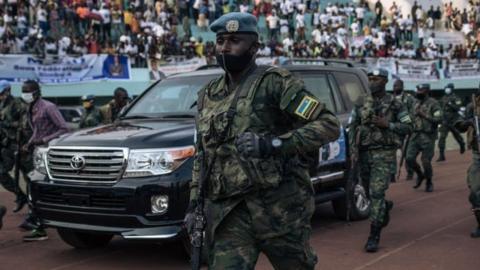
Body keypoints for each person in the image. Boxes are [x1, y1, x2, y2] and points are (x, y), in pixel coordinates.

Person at [185, 12, 340, 269]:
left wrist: (274, 144)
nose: (225, 47)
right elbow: (203, 155)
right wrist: (194, 205)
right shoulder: (207, 95)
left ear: (254, 47)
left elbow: (328, 124)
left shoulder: (275, 84)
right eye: (221, 40)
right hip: (230, 214)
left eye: (234, 40)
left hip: (280, 210)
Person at [349, 69, 412, 253]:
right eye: (369, 78)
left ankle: (373, 235)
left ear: (384, 81)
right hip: (363, 154)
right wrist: (353, 150)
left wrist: (389, 125)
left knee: (376, 193)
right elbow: (352, 127)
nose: (371, 81)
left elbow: (409, 126)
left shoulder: (395, 104)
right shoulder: (361, 102)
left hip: (384, 155)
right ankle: (383, 207)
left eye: (375, 78)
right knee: (369, 194)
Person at [21, 80, 69, 242]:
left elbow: (64, 128)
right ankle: (36, 221)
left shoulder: (48, 107)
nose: (24, 94)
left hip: (50, 153)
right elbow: (37, 130)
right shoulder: (31, 108)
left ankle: (41, 224)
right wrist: (28, 144)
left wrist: (44, 140)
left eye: (26, 91)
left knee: (43, 188)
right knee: (33, 186)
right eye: (23, 91)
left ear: (36, 92)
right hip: (38, 153)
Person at [406, 84, 442, 192]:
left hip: (428, 136)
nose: (418, 92)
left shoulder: (434, 103)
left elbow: (439, 119)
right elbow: (411, 117)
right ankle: (420, 175)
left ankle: (429, 181)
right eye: (418, 90)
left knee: (425, 161)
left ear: (427, 91)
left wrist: (424, 115)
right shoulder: (415, 103)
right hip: (415, 135)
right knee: (409, 159)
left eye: (421, 90)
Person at [454, 87, 480, 238]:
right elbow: (459, 124)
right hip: (478, 154)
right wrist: (467, 123)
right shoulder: (473, 105)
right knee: (474, 192)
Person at [0, 80, 28, 213]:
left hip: (19, 145)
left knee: (26, 175)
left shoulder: (18, 104)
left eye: (1, 93)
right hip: (7, 145)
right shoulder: (2, 104)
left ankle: (34, 208)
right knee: (2, 174)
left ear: (7, 91)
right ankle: (20, 195)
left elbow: (25, 125)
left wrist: (8, 123)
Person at [392, 79, 416, 180]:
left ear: (402, 87)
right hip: (394, 129)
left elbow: (413, 112)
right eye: (394, 86)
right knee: (391, 152)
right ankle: (391, 174)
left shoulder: (409, 98)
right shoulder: (390, 98)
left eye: (397, 86)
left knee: (406, 153)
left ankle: (410, 172)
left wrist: (408, 123)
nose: (395, 88)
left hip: (405, 128)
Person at [437, 83, 465, 161]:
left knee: (457, 135)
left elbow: (458, 108)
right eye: (446, 88)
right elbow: (440, 107)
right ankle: (441, 155)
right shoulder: (444, 97)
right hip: (444, 121)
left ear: (452, 89)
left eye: (448, 88)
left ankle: (462, 144)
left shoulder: (456, 97)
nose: (447, 89)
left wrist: (450, 104)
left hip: (453, 120)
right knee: (442, 138)